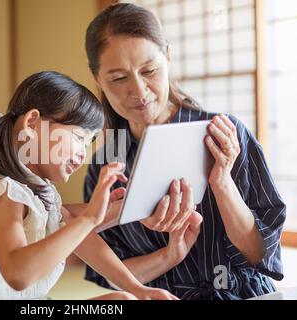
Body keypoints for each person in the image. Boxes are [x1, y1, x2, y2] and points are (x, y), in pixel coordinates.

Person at [83, 3, 286, 300]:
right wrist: (168, 256)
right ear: (97, 78)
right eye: (118, 78)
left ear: (168, 57)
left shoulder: (223, 133)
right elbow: (110, 272)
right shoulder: (106, 163)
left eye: (149, 70)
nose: (139, 91)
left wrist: (222, 183)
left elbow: (259, 253)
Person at [0, 71, 185, 300]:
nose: (83, 153)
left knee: (123, 299)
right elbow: (18, 274)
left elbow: (79, 233)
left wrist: (138, 289)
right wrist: (91, 218)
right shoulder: (3, 193)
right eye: (78, 138)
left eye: (88, 143)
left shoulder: (41, 191)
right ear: (32, 123)